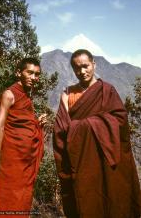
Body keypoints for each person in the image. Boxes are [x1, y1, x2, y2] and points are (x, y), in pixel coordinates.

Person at [53, 49, 141, 218]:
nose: (82, 72)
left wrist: (83, 125)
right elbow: (61, 128)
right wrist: (85, 127)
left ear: (94, 64)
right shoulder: (68, 94)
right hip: (80, 160)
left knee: (111, 200)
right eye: (77, 68)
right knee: (86, 201)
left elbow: (121, 121)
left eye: (85, 66)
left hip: (106, 158)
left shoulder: (107, 90)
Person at [0, 58, 47, 217]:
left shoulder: (27, 96)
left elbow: (22, 124)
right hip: (11, 159)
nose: (33, 77)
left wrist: (38, 123)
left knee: (23, 196)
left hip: (25, 161)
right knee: (8, 195)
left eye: (36, 74)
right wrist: (1, 157)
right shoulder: (9, 94)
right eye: (29, 72)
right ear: (18, 73)